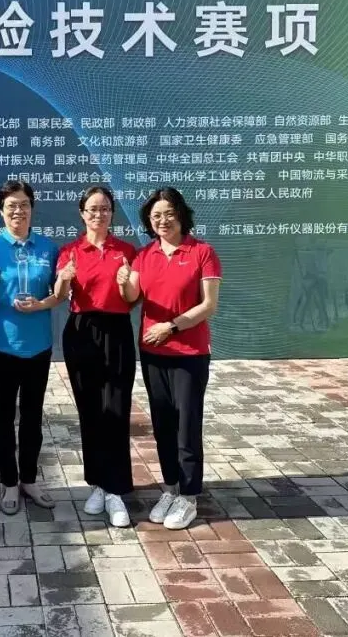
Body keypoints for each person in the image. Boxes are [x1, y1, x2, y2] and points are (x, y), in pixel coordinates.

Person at [120, 187, 221, 530]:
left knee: (186, 424)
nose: (163, 220)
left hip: (189, 353)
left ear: (181, 215)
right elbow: (132, 296)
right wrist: (123, 282)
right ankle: (171, 487)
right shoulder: (144, 255)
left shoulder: (202, 252)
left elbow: (208, 305)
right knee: (162, 423)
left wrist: (172, 326)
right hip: (153, 352)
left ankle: (189, 496)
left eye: (169, 213)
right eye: (155, 216)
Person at [0, 180, 61, 514]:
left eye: (24, 204)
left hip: (37, 346)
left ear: (32, 208)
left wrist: (42, 303)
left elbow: (58, 295)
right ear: (1, 211)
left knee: (33, 417)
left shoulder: (47, 248)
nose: (18, 211)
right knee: (3, 417)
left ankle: (29, 479)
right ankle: (9, 482)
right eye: (11, 205)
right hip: (1, 346)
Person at [53, 186, 138, 528]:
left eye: (104, 209)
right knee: (90, 410)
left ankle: (116, 490)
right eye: (92, 209)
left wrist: (125, 283)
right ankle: (98, 484)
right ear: (82, 213)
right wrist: (64, 278)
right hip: (81, 331)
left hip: (116, 332)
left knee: (115, 409)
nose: (98, 214)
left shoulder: (126, 251)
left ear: (112, 213)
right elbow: (60, 294)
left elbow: (132, 299)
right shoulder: (70, 251)